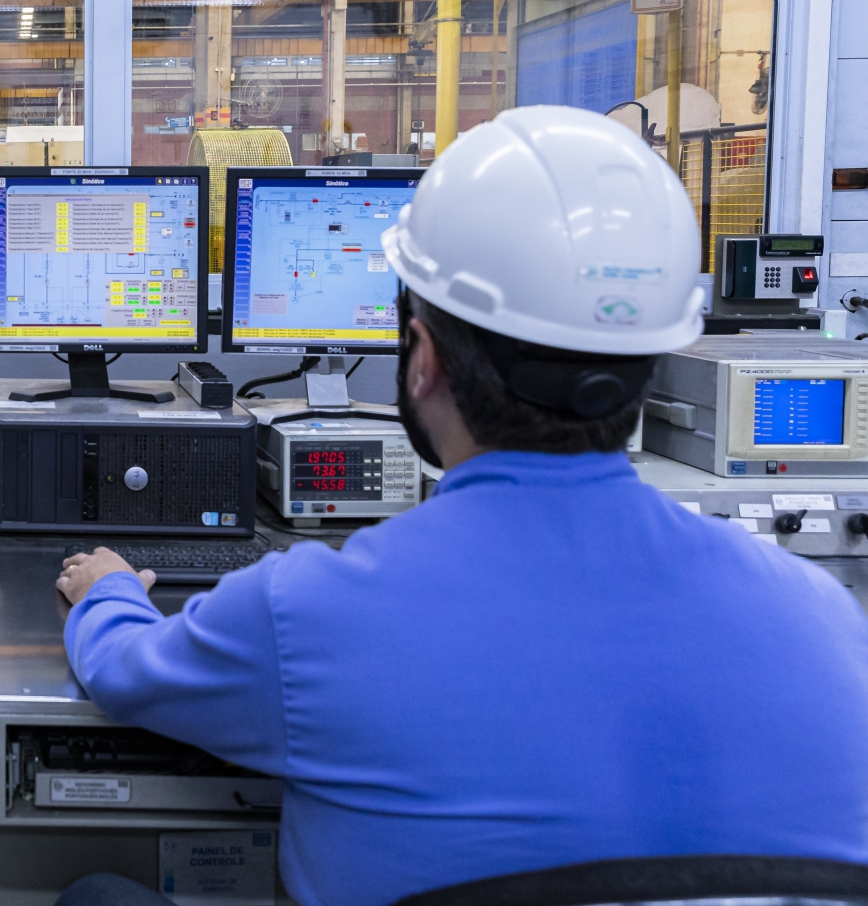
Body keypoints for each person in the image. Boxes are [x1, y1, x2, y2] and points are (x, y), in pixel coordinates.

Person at [55, 106, 868, 906]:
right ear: (651, 361)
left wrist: (109, 590)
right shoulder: (826, 624)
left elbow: (125, 673)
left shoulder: (310, 613)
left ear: (423, 361)